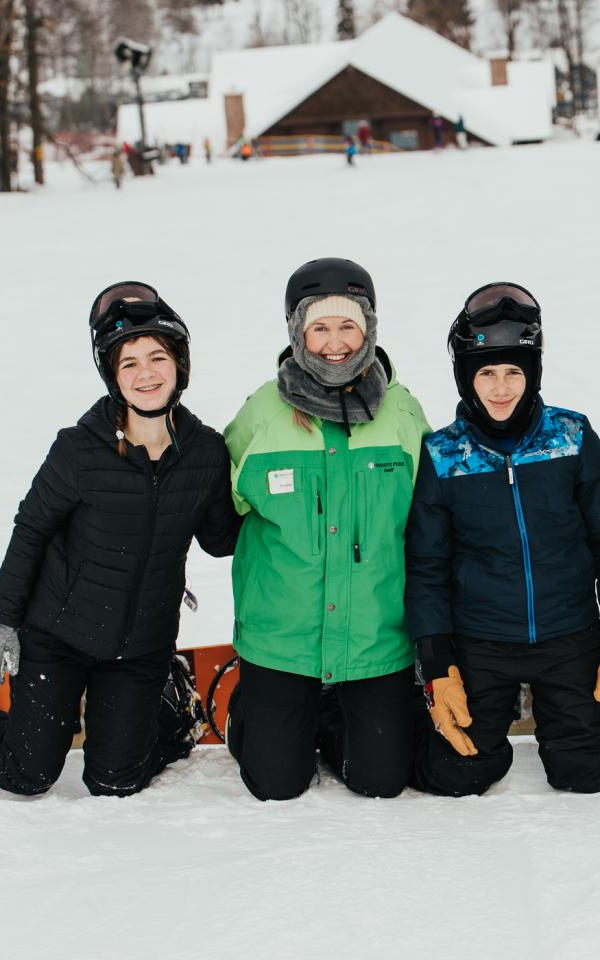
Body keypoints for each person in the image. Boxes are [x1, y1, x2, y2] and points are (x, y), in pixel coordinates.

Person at [0, 283, 241, 797]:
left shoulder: (205, 452)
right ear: (112, 376)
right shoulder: (77, 450)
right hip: (58, 637)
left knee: (115, 781)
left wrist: (276, 495)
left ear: (180, 365)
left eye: (157, 357)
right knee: (28, 774)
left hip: (141, 646)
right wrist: (4, 620)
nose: (146, 373)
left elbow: (221, 539)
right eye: (128, 363)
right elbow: (30, 532)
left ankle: (168, 705)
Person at [406, 284, 600, 797]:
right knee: (458, 773)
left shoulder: (572, 435)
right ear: (467, 377)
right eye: (487, 373)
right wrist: (436, 663)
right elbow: (427, 564)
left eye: (514, 372)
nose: (500, 388)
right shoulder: (444, 453)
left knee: (588, 774)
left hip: (568, 632)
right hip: (481, 639)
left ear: (532, 373)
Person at [222, 259, 430, 801]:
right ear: (296, 331)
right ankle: (263, 709)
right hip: (282, 640)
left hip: (374, 637)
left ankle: (340, 712)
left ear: (369, 328)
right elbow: (220, 510)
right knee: (274, 784)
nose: (333, 343)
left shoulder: (402, 413)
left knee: (381, 781)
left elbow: (433, 522)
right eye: (318, 327)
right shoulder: (260, 416)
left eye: (347, 325)